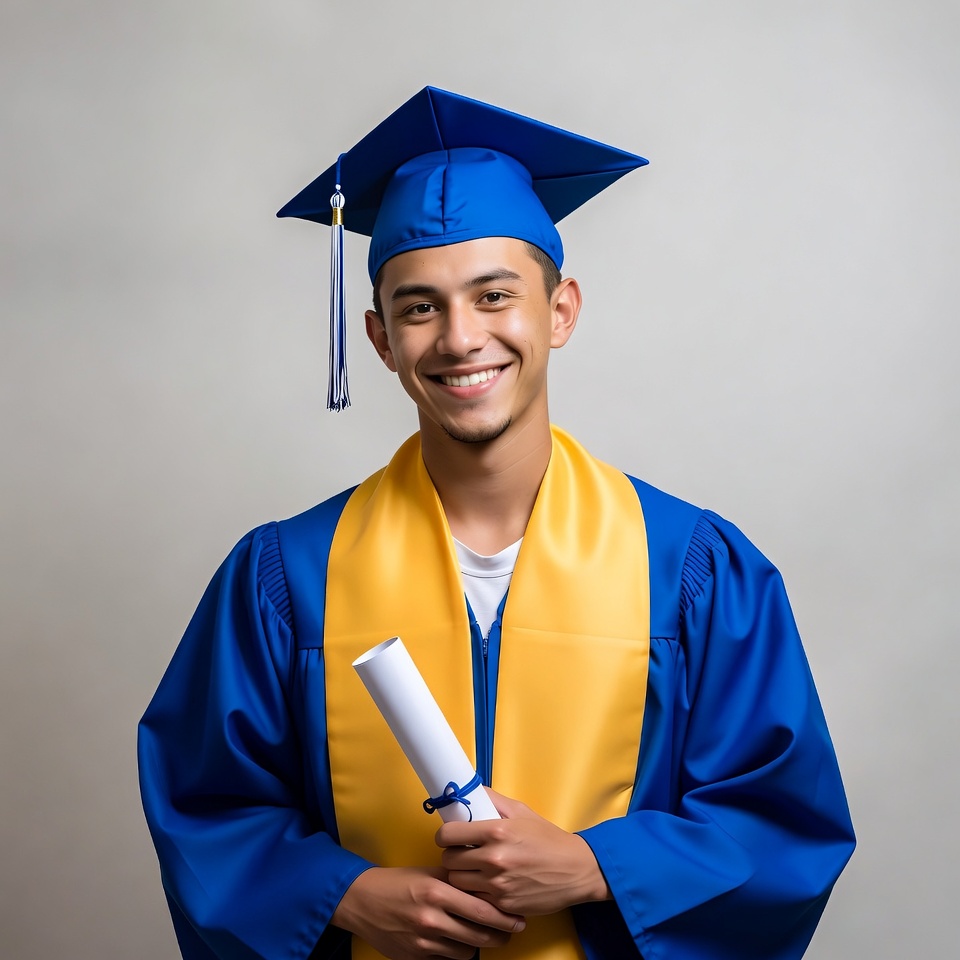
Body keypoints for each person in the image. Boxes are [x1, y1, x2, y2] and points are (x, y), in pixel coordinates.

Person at [138, 87, 855, 960]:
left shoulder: (692, 569)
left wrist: (598, 867)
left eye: (493, 296)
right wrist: (348, 893)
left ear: (560, 312)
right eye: (418, 306)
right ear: (378, 337)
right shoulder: (288, 576)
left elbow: (783, 824)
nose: (458, 338)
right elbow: (207, 811)